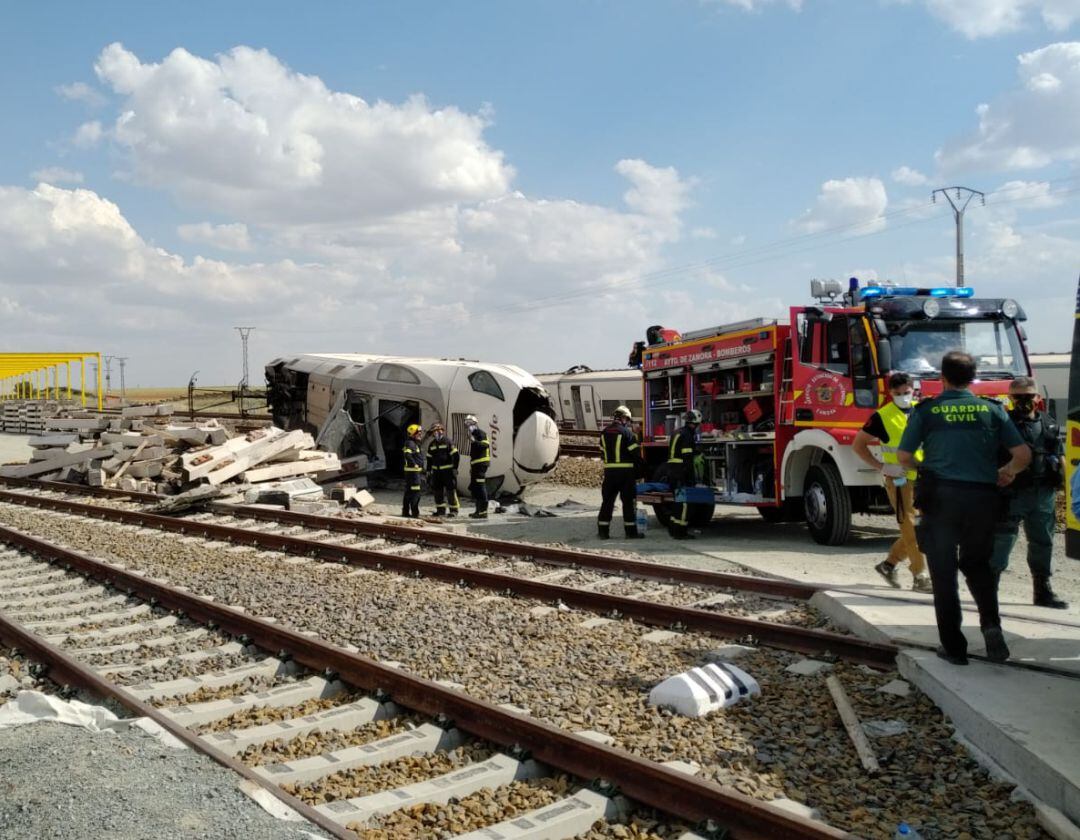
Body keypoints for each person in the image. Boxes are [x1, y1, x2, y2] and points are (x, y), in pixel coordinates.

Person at [898, 350, 1031, 665]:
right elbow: (1023, 454)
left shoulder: (928, 411)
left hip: (941, 499)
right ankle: (991, 626)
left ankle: (954, 649)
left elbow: (904, 456)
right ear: (973, 378)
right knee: (977, 566)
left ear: (942, 378)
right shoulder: (992, 410)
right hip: (982, 500)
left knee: (943, 573)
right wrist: (1008, 471)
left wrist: (922, 468)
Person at [990, 378, 1068, 609]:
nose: (1024, 401)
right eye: (1018, 397)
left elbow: (1059, 454)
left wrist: (1066, 487)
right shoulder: (1002, 424)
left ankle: (1042, 590)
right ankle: (989, 590)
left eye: (1029, 396)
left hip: (1043, 493)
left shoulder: (1048, 422)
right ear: (1010, 398)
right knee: (1003, 541)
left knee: (1043, 542)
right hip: (1011, 493)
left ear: (1037, 398)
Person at [852, 372, 932, 593]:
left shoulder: (922, 410)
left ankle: (888, 565)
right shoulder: (882, 416)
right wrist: (881, 467)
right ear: (890, 393)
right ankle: (920, 576)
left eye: (906, 392)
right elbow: (858, 445)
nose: (903, 396)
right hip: (899, 479)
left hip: (924, 477)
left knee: (924, 527)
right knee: (910, 526)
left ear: (913, 389)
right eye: (898, 393)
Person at [597, 405, 644, 539]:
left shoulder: (604, 433)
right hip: (625, 474)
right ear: (624, 418)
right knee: (628, 503)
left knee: (607, 502)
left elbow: (602, 453)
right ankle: (630, 533)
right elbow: (636, 454)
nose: (627, 423)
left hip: (609, 473)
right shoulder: (627, 433)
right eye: (627, 420)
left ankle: (603, 532)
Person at [667, 409, 702, 540]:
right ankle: (680, 532)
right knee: (684, 504)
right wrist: (691, 478)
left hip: (672, 472)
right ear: (695, 423)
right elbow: (687, 458)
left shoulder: (677, 432)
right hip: (681, 473)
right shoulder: (687, 435)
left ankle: (673, 529)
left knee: (677, 502)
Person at [426, 423, 460, 517]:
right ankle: (440, 510)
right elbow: (429, 458)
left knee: (450, 491)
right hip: (436, 472)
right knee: (437, 491)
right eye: (434, 431)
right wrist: (428, 470)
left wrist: (455, 468)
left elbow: (456, 456)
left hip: (447, 471)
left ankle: (454, 511)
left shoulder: (448, 441)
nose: (436, 433)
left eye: (438, 430)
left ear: (442, 431)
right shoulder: (432, 444)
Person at [463, 414, 491, 519]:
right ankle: (478, 511)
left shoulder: (480, 433)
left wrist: (474, 441)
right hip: (476, 465)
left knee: (480, 487)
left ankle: (483, 511)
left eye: (470, 424)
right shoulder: (474, 434)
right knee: (475, 487)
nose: (468, 426)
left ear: (475, 423)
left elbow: (485, 445)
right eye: (467, 424)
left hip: (481, 464)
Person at [401, 423, 425, 518]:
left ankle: (405, 512)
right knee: (416, 493)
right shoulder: (411, 443)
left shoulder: (413, 443)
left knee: (409, 492)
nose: (420, 434)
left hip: (412, 472)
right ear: (413, 434)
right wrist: (414, 464)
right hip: (413, 473)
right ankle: (415, 513)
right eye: (418, 433)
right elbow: (407, 455)